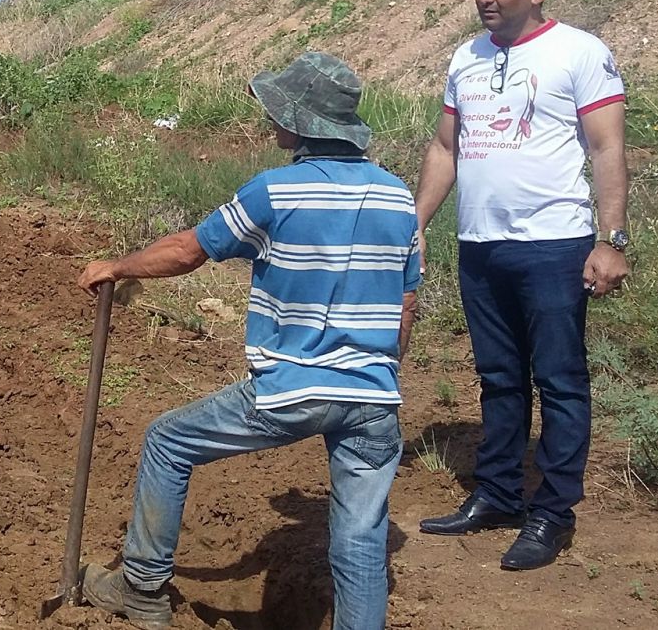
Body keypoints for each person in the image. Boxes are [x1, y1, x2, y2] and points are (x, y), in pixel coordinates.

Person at [74, 52, 419, 630]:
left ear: (301, 122)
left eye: (278, 110)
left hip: (292, 387)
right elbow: (406, 306)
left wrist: (118, 264)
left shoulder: (275, 192)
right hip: (375, 397)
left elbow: (190, 250)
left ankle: (141, 587)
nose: (270, 120)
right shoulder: (398, 198)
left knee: (167, 441)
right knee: (360, 544)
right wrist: (371, 372)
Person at [415, 0, 629, 570]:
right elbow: (445, 148)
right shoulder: (467, 57)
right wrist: (418, 221)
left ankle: (552, 513)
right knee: (498, 377)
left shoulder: (580, 53)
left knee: (560, 381)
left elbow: (607, 150)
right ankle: (499, 493)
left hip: (554, 244)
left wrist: (610, 240)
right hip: (481, 244)